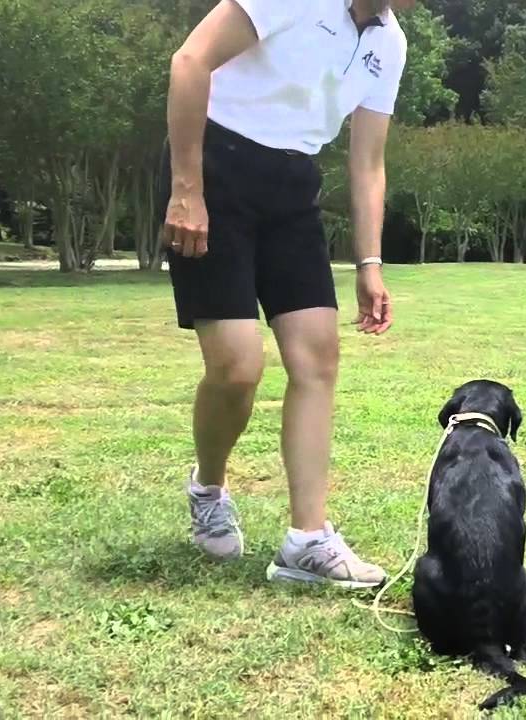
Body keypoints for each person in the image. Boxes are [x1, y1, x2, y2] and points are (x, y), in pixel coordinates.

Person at [160, 0, 411, 588]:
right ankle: (209, 486)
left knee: (318, 355)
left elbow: (368, 161)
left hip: (292, 187)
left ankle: (307, 540)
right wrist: (186, 189)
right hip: (214, 168)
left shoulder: (390, 45)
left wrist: (369, 262)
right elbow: (190, 61)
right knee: (237, 368)